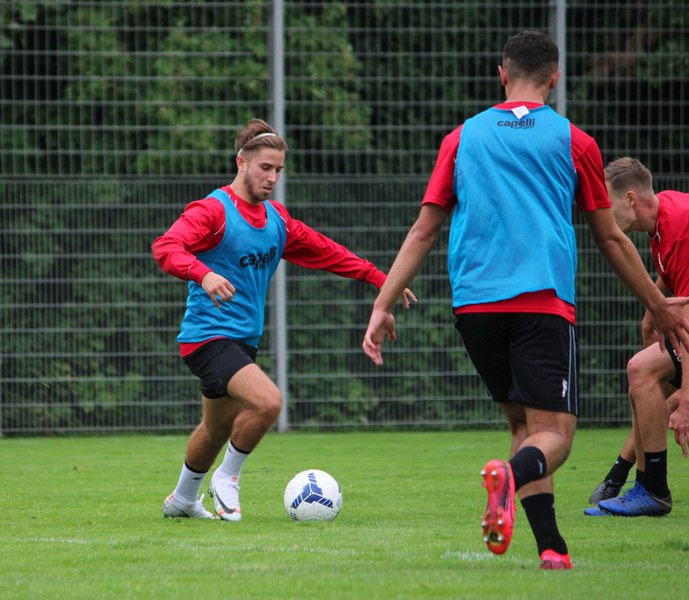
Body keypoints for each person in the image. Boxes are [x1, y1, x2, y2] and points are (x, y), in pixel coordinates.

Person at [361, 32, 689, 570]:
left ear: (502, 74)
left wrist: (383, 304)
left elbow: (424, 230)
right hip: (541, 303)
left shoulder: (461, 138)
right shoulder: (574, 141)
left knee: (523, 428)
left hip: (474, 307)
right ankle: (508, 479)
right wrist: (657, 302)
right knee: (556, 434)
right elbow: (610, 238)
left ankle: (551, 549)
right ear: (554, 79)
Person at [153, 118, 414, 521]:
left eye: (278, 170)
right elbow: (166, 246)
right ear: (241, 162)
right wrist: (202, 274)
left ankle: (184, 500)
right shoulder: (213, 211)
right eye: (265, 167)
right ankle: (227, 477)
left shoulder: (276, 219)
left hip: (243, 341)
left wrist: (380, 279)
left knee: (215, 429)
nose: (273, 178)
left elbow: (325, 251)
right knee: (269, 402)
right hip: (207, 337)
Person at [585, 157, 689, 517]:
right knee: (647, 384)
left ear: (630, 198)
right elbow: (673, 275)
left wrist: (687, 396)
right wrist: (653, 307)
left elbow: (687, 321)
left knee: (641, 370)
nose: (603, 215)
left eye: (607, 205)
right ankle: (626, 479)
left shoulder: (679, 225)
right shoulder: (664, 219)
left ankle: (652, 490)